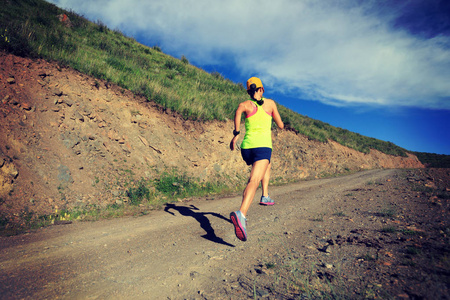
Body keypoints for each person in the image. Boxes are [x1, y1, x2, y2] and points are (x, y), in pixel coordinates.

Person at [229, 77, 284, 241]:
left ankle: (265, 195)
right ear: (262, 89)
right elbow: (280, 125)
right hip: (263, 147)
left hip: (247, 148)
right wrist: (272, 119)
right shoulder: (270, 104)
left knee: (266, 165)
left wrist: (236, 134)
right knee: (253, 180)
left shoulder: (244, 105)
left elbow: (238, 112)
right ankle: (242, 214)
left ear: (248, 90)